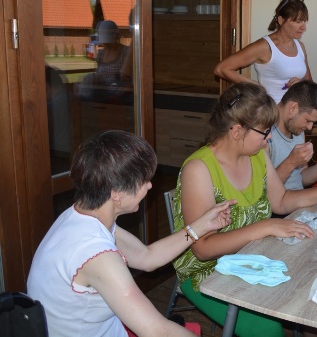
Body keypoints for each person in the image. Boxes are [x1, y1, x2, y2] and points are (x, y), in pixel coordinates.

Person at [172, 82, 317, 337]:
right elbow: (202, 249)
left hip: (253, 254)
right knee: (269, 330)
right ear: (237, 130)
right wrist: (265, 226)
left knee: (316, 287)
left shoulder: (256, 154)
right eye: (264, 131)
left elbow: (281, 200)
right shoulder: (199, 169)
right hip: (206, 273)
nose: (269, 137)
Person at [27, 130, 235, 337]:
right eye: (143, 180)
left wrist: (202, 226)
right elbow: (157, 332)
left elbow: (147, 257)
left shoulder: (82, 216)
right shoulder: (96, 255)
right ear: (117, 194)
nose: (150, 185)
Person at [213, 0, 312, 103]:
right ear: (281, 20)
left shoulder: (300, 46)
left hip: (298, 108)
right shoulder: (265, 47)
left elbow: (310, 83)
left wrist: (300, 84)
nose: (304, 27)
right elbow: (221, 69)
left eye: (304, 21)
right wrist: (256, 87)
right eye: (298, 22)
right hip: (273, 109)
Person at [269, 80, 317, 191]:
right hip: (280, 201)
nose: (309, 127)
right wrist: (291, 162)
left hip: (299, 198)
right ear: (293, 108)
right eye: (308, 120)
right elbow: (263, 192)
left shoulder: (297, 130)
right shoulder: (264, 134)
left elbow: (301, 177)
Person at [78, 20, 133, 102]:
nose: (105, 44)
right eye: (104, 41)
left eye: (108, 41)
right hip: (102, 95)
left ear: (116, 37)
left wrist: (120, 95)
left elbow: (132, 80)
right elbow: (98, 74)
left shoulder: (126, 52)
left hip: (120, 98)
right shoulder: (101, 54)